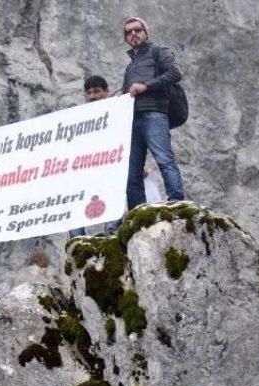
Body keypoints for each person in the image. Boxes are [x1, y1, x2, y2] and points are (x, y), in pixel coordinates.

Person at [68, 76, 162, 238]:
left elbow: (129, 139)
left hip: (111, 166)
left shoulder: (119, 112)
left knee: (112, 194)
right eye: (88, 93)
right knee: (74, 199)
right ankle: (77, 240)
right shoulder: (79, 119)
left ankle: (110, 232)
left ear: (106, 92)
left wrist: (137, 164)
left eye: (97, 91)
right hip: (85, 168)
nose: (92, 96)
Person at [121, 17, 185, 209]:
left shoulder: (159, 51)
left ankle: (177, 203)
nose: (133, 34)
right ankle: (137, 210)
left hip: (154, 115)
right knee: (132, 170)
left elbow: (175, 73)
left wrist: (145, 86)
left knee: (164, 160)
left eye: (137, 30)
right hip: (133, 121)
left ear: (145, 33)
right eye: (128, 32)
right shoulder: (130, 66)